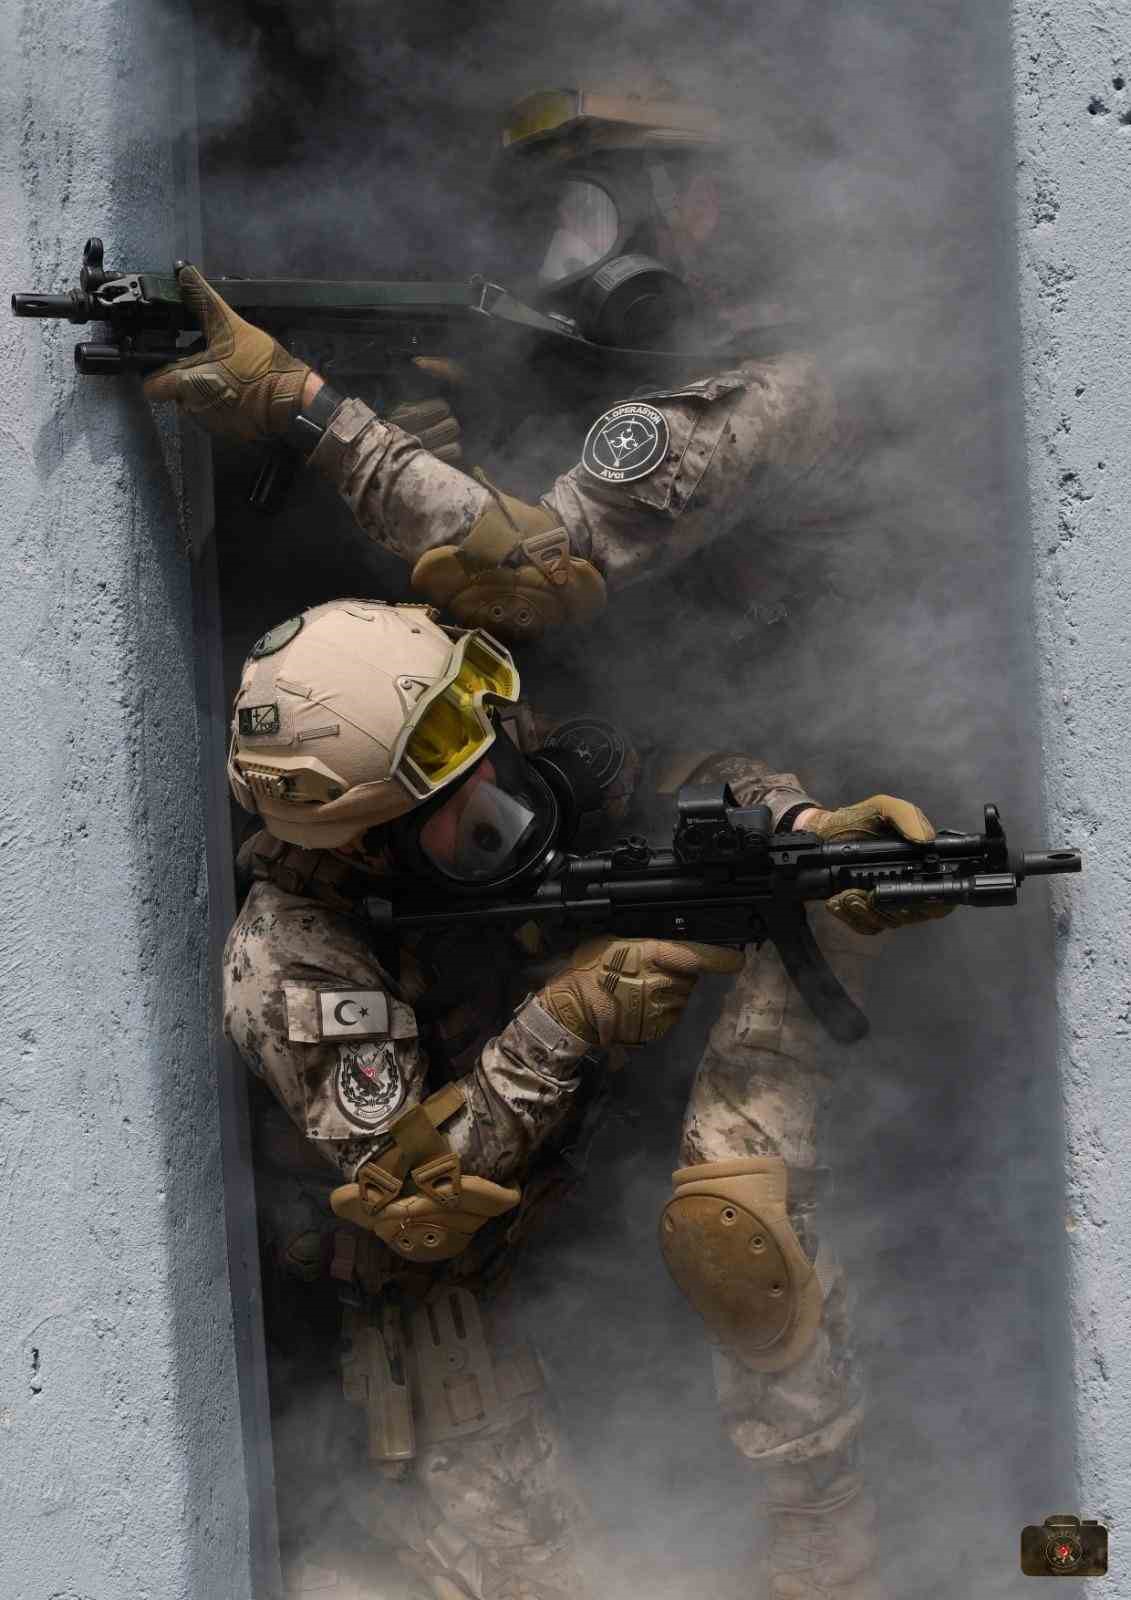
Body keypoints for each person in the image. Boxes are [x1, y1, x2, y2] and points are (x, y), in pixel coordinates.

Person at [146, 88, 950, 1600]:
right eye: (558, 192)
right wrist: (578, 1010)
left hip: (613, 1157)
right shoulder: (295, 945)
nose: (496, 806)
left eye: (623, 185)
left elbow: (555, 591)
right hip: (457, 1276)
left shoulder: (764, 378)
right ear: (359, 838)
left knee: (736, 1220)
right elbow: (410, 1198)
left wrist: (800, 836)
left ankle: (827, 1529)